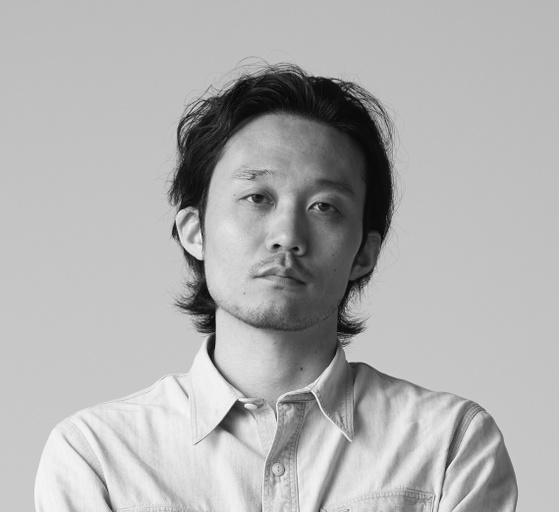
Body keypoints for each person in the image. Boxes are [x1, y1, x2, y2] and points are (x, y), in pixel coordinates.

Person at [35, 63, 517, 511]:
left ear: (364, 254)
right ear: (195, 232)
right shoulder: (98, 454)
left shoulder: (449, 444)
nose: (287, 235)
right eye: (256, 197)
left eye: (325, 206)